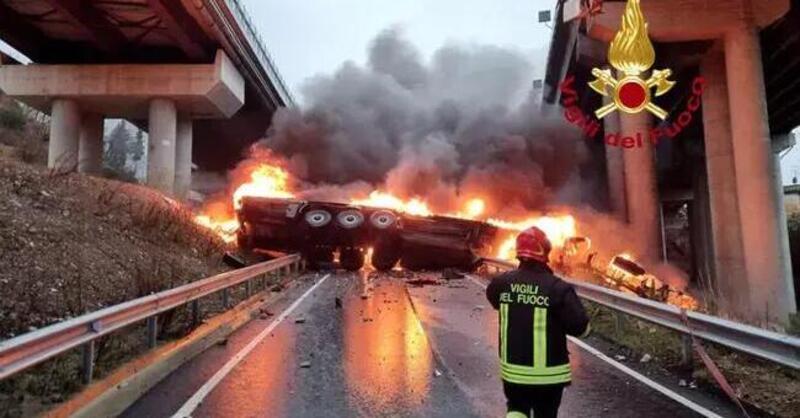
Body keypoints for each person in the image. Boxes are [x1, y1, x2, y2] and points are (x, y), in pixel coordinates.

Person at [486, 226, 590, 418]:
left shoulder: (501, 284)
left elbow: (494, 299)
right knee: (546, 413)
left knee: (516, 409)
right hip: (550, 376)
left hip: (514, 372)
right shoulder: (558, 288)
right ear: (545, 251)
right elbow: (579, 326)